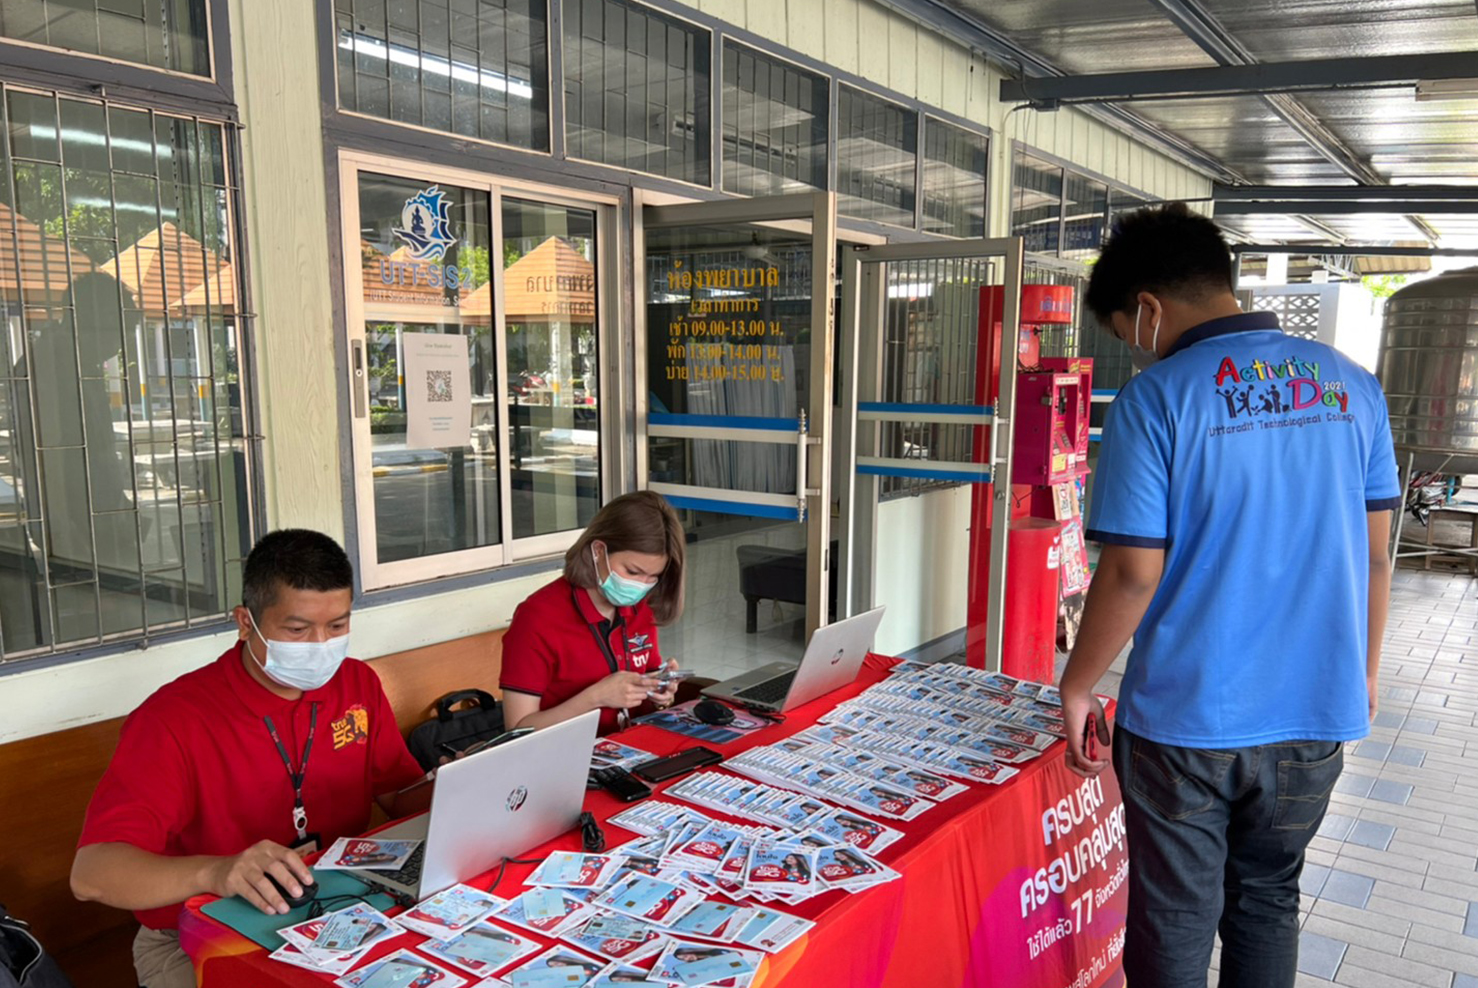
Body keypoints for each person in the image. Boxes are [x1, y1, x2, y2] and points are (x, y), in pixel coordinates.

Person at [1058, 204, 1398, 988]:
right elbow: (1376, 556)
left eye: (1122, 329)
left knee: (1175, 916)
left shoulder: (1158, 399)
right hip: (1316, 712)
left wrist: (1079, 683)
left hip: (1188, 724)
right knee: (1270, 900)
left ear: (1145, 308)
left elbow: (1134, 571)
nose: (1131, 347)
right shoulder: (1353, 386)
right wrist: (1364, 673)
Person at [70, 530, 429, 988]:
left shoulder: (356, 683)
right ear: (245, 622)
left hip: (340, 912)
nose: (321, 645)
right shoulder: (173, 720)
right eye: (297, 630)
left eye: (337, 626)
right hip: (198, 933)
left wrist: (474, 777)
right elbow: (92, 874)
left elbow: (400, 794)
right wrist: (216, 871)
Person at [501, 491, 686, 734]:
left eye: (653, 577)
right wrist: (596, 697)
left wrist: (661, 694)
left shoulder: (641, 605)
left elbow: (647, 681)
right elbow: (516, 730)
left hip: (635, 746)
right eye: (632, 572)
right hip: (567, 755)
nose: (641, 586)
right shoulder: (537, 618)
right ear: (598, 550)